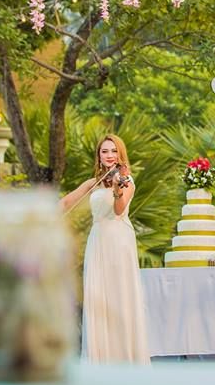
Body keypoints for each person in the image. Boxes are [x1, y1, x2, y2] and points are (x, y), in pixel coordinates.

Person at [60, 134, 150, 364]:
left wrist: (118, 189)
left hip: (119, 241)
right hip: (98, 239)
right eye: (104, 151)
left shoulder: (127, 180)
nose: (109, 156)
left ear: (120, 155)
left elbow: (119, 210)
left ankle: (125, 358)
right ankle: (100, 358)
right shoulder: (93, 183)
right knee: (97, 297)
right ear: (99, 156)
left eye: (113, 151)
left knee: (120, 295)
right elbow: (66, 202)